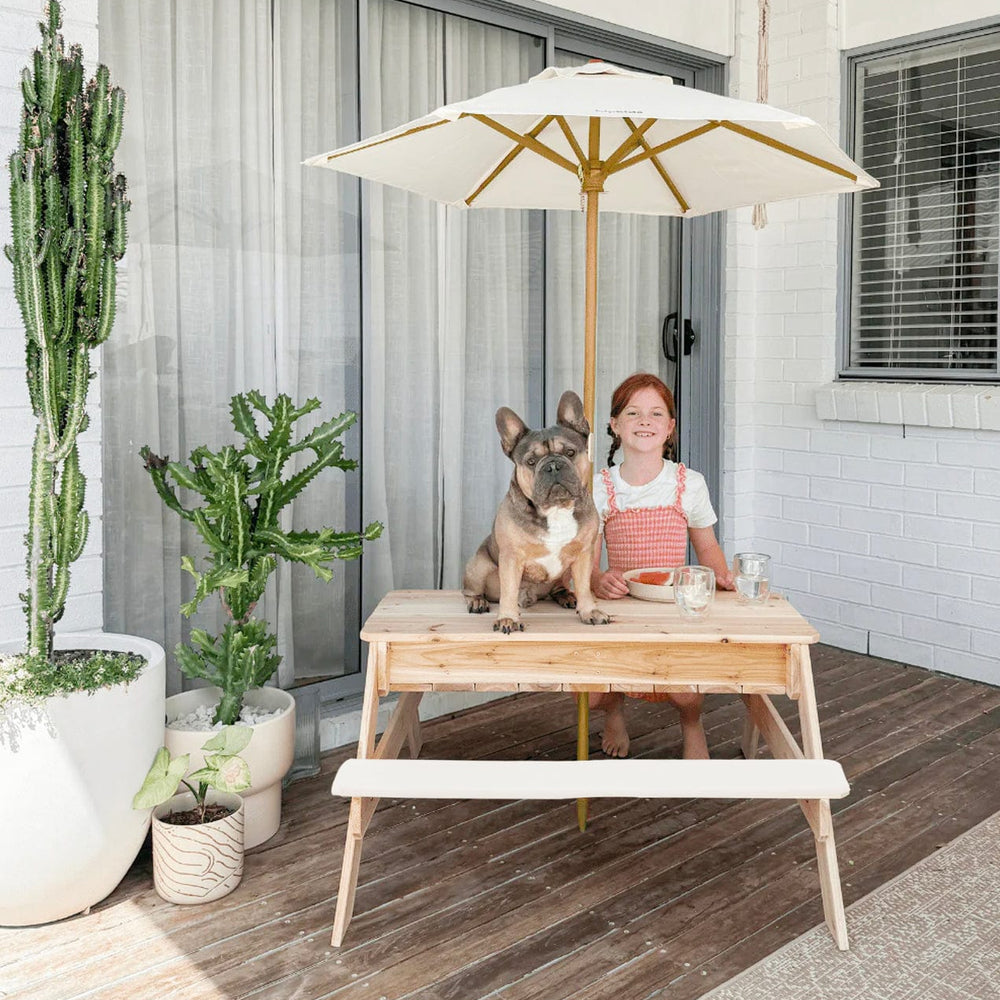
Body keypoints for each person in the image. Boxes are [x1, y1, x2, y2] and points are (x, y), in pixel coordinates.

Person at [589, 372, 733, 760]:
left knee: (685, 691)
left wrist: (721, 576)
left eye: (655, 414)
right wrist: (600, 580)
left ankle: (691, 724)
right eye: (633, 413)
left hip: (675, 605)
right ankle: (614, 708)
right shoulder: (600, 487)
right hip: (620, 606)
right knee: (591, 692)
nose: (644, 421)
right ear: (614, 425)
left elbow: (708, 550)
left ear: (669, 427)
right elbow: (586, 565)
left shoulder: (689, 483)